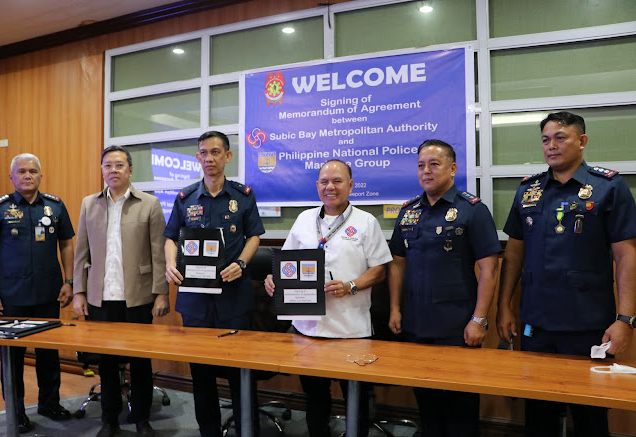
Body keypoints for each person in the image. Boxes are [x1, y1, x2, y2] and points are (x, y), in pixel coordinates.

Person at [496, 111, 636, 437]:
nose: (552, 146)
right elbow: (514, 253)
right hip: (536, 323)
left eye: (561, 137)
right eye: (546, 140)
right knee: (538, 414)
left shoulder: (608, 187)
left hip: (587, 324)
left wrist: (626, 318)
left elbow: (626, 254)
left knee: (590, 415)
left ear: (582, 141)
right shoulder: (528, 191)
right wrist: (504, 306)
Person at [264, 159, 392, 437]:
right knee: (315, 398)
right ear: (317, 185)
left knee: (354, 399)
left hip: (351, 330)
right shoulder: (304, 219)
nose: (330, 187)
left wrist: (352, 285)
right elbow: (286, 262)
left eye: (337, 181)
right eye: (324, 181)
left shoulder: (366, 222)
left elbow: (380, 270)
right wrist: (273, 278)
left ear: (351, 185)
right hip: (308, 328)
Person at [388, 139, 501, 437]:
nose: (426, 171)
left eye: (434, 164)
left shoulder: (472, 210)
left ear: (452, 168)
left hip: (457, 325)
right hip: (416, 322)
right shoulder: (409, 211)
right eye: (421, 165)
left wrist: (479, 319)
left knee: (459, 405)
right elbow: (397, 263)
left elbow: (490, 268)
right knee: (426, 402)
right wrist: (395, 308)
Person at [164, 131, 264, 437]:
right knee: (201, 374)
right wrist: (170, 263)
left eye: (216, 152)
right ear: (198, 157)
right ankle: (208, 430)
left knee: (239, 372)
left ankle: (247, 430)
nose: (210, 159)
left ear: (228, 156)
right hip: (195, 301)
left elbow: (254, 236)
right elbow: (170, 237)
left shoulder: (243, 195)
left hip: (233, 297)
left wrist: (242, 263)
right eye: (204, 153)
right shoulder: (186, 198)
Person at [73, 145, 169, 437]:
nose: (112, 171)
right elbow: (81, 253)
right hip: (100, 298)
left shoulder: (149, 204)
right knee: (106, 362)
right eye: (107, 166)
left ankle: (141, 418)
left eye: (118, 165)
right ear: (102, 170)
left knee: (140, 361)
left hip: (137, 297)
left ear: (130, 170)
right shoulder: (90, 203)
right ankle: (109, 419)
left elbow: (158, 253)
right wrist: (78, 292)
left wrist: (161, 293)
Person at [0, 153, 75, 433]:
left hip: (48, 294)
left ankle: (50, 403)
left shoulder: (55, 206)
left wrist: (69, 281)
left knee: (49, 355)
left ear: (40, 176)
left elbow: (67, 244)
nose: (27, 176)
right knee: (12, 359)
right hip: (11, 296)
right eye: (21, 171)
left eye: (33, 171)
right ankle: (16, 411)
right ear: (11, 177)